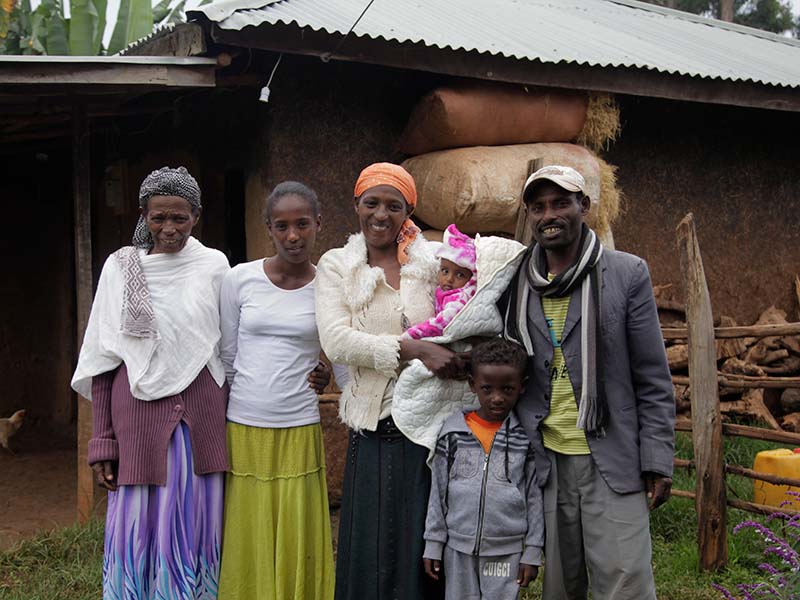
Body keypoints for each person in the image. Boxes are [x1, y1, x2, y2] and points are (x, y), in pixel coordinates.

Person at [497, 165, 675, 600]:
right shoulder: (513, 280)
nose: (549, 215)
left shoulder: (626, 274)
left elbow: (652, 376)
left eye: (561, 202)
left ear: (585, 207)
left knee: (625, 583)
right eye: (537, 207)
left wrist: (657, 457)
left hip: (611, 458)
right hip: (545, 462)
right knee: (559, 586)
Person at [71, 166, 230, 599]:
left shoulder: (214, 266)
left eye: (180, 217)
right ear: (143, 215)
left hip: (201, 421)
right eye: (158, 217)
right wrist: (102, 442)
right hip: (137, 421)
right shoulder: (121, 267)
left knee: (196, 522)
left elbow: (230, 347)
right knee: (137, 526)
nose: (169, 228)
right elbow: (104, 360)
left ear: (196, 216)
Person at [316, 162, 459, 600]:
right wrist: (412, 349)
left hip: (430, 424)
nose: (381, 214)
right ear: (356, 205)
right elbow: (337, 340)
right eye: (371, 203)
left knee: (423, 543)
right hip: (374, 424)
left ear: (408, 210)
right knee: (373, 548)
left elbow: (462, 308)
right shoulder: (338, 264)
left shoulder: (432, 261)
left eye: (393, 205)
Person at [217, 181, 343, 600]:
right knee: (249, 525)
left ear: (318, 224)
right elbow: (229, 355)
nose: (293, 235)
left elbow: (339, 352)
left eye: (303, 224)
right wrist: (250, 399)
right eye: (282, 225)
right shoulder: (240, 280)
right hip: (246, 425)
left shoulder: (330, 284)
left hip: (300, 423)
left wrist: (328, 373)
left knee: (296, 525)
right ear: (267, 227)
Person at [422, 337, 543, 600]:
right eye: (487, 388)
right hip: (457, 549)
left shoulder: (524, 439)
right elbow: (438, 493)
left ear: (521, 387)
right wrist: (433, 544)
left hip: (506, 550)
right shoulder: (453, 433)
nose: (497, 398)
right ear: (472, 385)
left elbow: (534, 497)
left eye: (507, 389)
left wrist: (532, 550)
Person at [403, 224, 477, 341]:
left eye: (460, 275)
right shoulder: (442, 290)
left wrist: (411, 335)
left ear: (471, 278)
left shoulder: (459, 299)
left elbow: (441, 324)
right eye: (445, 271)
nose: (449, 279)